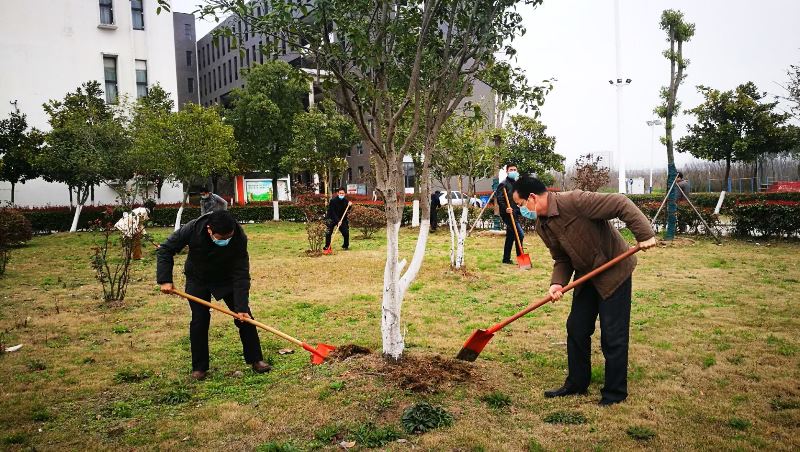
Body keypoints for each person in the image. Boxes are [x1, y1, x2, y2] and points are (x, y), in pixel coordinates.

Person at [512, 176, 657, 406]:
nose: (522, 211)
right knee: (577, 328)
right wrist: (557, 283)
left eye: (521, 205)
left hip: (613, 271)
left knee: (613, 335)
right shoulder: (543, 225)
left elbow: (620, 203)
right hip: (586, 275)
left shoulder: (576, 201)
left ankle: (614, 393)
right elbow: (561, 257)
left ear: (532, 197)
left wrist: (645, 234)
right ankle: (577, 383)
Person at [156, 210, 270, 380]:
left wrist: (241, 306)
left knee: (245, 318)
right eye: (221, 238)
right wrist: (165, 280)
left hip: (226, 279)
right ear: (210, 230)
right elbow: (165, 249)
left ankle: (256, 359)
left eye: (228, 238)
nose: (225, 241)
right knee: (199, 320)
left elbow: (241, 272)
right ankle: (199, 368)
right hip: (198, 278)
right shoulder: (193, 228)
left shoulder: (239, 237)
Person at [495, 164, 524, 264]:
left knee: (511, 236)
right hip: (507, 214)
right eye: (511, 170)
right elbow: (500, 198)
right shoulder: (503, 184)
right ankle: (521, 259)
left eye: (515, 169)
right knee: (520, 234)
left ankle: (506, 259)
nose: (513, 171)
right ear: (507, 171)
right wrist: (506, 208)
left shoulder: (516, 183)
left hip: (515, 212)